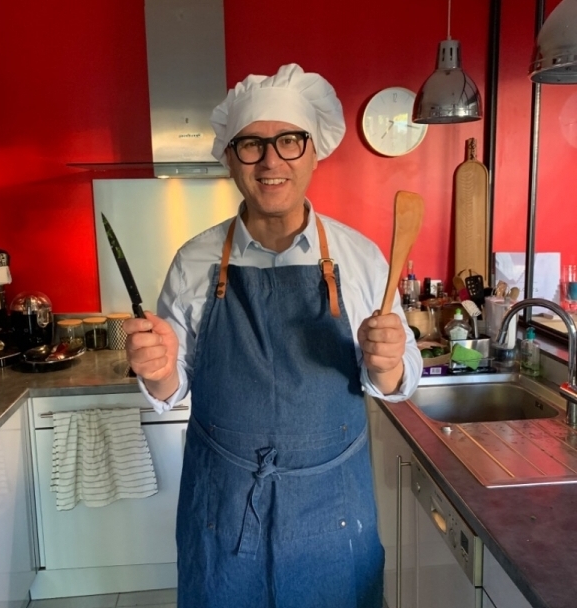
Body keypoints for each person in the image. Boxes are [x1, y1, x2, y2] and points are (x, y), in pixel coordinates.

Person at [124, 63, 422, 608]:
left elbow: (396, 381)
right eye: (251, 145)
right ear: (230, 158)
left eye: (289, 140)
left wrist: (387, 364)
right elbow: (172, 389)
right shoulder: (193, 261)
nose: (271, 161)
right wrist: (159, 370)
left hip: (334, 511)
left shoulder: (361, 258)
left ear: (314, 151)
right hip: (223, 509)